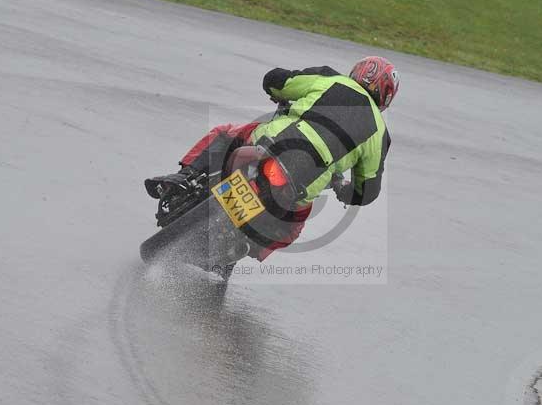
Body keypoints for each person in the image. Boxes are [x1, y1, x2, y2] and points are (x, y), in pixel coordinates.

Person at [145, 56, 398, 260]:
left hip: (268, 145)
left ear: (357, 72)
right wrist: (345, 191)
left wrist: (277, 90)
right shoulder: (380, 135)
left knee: (224, 133)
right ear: (386, 95)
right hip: (297, 190)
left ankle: (185, 176)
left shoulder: (330, 79)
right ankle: (251, 246)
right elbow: (368, 191)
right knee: (293, 230)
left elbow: (277, 80)